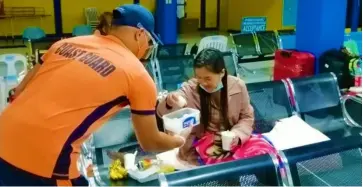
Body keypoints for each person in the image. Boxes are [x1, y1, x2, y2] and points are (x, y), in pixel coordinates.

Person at [0, 4, 184, 186]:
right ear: (140, 35)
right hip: (45, 160)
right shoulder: (137, 74)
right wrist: (181, 139)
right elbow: (150, 142)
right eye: (149, 42)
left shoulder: (66, 43)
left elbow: (19, 91)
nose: (146, 48)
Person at [157, 48, 276, 166]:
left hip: (232, 137)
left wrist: (237, 135)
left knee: (264, 153)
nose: (203, 82)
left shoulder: (238, 86)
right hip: (202, 141)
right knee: (224, 164)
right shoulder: (191, 88)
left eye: (208, 78)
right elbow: (163, 111)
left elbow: (247, 117)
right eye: (199, 77)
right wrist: (170, 102)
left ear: (222, 73)